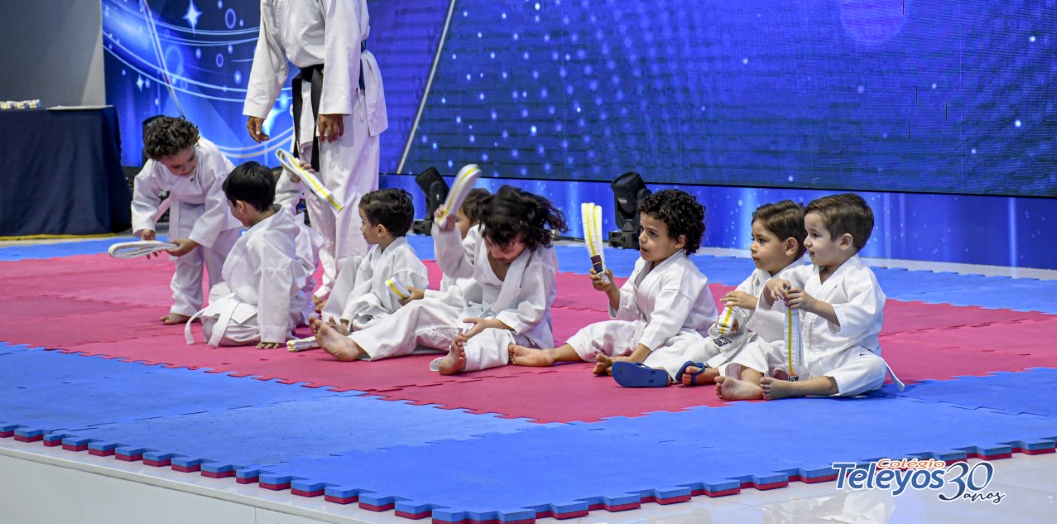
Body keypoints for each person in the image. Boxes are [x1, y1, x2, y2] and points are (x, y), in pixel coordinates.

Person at [239, 0, 388, 306]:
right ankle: (332, 281)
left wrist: (335, 104)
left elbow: (344, 35)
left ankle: (357, 290)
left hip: (344, 89)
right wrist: (259, 105)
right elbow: (269, 45)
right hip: (309, 92)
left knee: (348, 194)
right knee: (317, 195)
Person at [311, 186, 564, 375]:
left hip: (519, 332)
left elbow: (532, 311)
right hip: (474, 316)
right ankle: (355, 345)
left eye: (506, 249)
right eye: (491, 244)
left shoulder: (540, 256)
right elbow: (453, 266)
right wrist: (445, 234)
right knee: (418, 310)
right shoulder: (478, 234)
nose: (496, 253)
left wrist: (490, 324)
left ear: (525, 236)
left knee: (494, 340)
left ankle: (461, 360)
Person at [508, 189, 715, 383]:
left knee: (681, 352)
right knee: (601, 331)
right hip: (649, 332)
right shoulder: (645, 263)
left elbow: (663, 325)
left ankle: (648, 371)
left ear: (679, 241)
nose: (642, 238)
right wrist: (610, 289)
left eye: (652, 234)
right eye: (642, 229)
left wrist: (633, 359)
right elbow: (630, 308)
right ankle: (552, 355)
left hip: (686, 337)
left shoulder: (681, 274)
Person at [715, 193, 897, 400]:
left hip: (844, 356)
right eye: (807, 234)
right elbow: (774, 296)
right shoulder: (808, 273)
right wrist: (772, 287)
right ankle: (750, 385)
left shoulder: (861, 277)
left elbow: (863, 317)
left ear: (844, 242)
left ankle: (796, 388)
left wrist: (814, 305)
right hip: (804, 355)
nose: (807, 242)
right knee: (757, 349)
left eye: (815, 235)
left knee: (874, 367)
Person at [668, 201, 808, 387]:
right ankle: (668, 371)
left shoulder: (800, 281)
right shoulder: (759, 274)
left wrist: (755, 304)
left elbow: (797, 330)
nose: (753, 246)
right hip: (749, 337)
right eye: (753, 239)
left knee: (755, 351)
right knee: (709, 343)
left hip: (782, 348)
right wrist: (732, 321)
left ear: (789, 246)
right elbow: (737, 300)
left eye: (761, 240)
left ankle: (714, 372)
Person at [186, 162, 317, 347]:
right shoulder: (278, 215)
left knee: (215, 330)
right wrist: (292, 180)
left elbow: (274, 287)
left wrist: (273, 333)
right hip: (264, 293)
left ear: (240, 206)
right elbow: (286, 198)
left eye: (230, 206)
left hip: (279, 303)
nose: (231, 211)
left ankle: (283, 324)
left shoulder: (266, 240)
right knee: (218, 291)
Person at [131, 116, 241, 324]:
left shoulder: (210, 156)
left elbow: (217, 204)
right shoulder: (154, 167)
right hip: (184, 203)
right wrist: (146, 226)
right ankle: (185, 307)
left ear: (194, 145)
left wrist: (194, 240)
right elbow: (144, 195)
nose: (186, 168)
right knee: (184, 260)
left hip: (224, 202)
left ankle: (225, 306)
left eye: (191, 159)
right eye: (176, 166)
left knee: (222, 259)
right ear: (160, 161)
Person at [318, 189, 429, 333]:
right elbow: (359, 290)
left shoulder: (405, 257)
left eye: (363, 222)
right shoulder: (376, 252)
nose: (361, 228)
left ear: (380, 230)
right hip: (375, 313)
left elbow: (407, 311)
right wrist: (346, 320)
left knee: (382, 323)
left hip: (395, 320)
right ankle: (338, 323)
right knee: (353, 263)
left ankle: (349, 331)